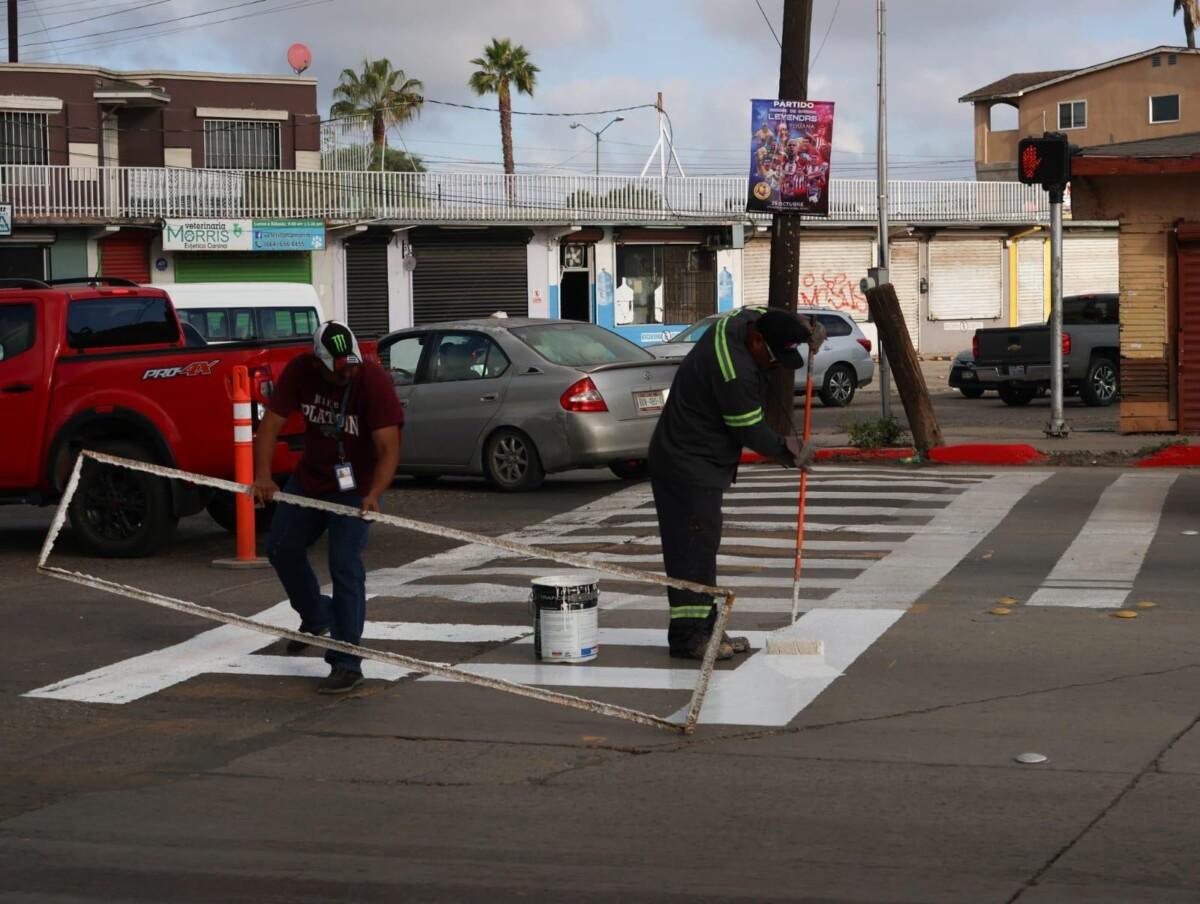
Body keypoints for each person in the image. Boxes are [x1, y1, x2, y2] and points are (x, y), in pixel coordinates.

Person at [648, 307, 825, 661]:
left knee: (702, 544)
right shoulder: (734, 372)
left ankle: (708, 628)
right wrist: (789, 451)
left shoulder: (740, 324)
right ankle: (688, 637)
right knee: (692, 550)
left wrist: (805, 326)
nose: (773, 366)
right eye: (772, 357)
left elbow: (762, 312)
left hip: (699, 460)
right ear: (756, 340)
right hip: (687, 462)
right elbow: (747, 428)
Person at [252, 321, 403, 694]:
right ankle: (317, 616)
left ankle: (346, 662)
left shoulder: (372, 381)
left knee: (344, 565)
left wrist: (374, 493)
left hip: (356, 488)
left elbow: (389, 448)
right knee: (281, 546)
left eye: (351, 365)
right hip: (312, 478)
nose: (347, 373)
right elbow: (270, 425)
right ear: (317, 362)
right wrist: (263, 475)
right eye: (339, 368)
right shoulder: (301, 371)